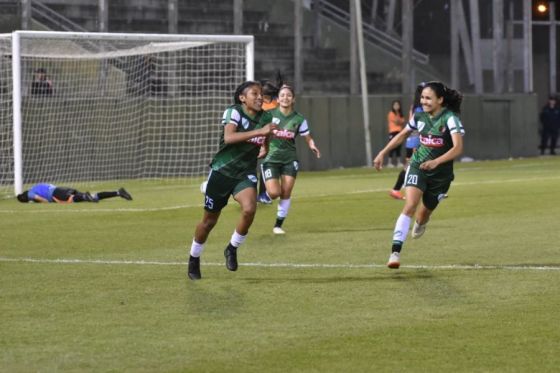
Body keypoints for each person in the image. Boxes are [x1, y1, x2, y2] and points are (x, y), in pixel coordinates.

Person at [187, 81, 278, 280]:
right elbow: (229, 138)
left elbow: (266, 138)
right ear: (242, 98)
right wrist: (259, 133)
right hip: (221, 172)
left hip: (244, 173)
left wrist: (266, 147)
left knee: (249, 209)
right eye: (254, 93)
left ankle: (232, 247)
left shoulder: (266, 116)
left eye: (261, 94)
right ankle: (194, 257)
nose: (260, 97)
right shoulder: (234, 112)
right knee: (209, 222)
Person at [373, 81, 465, 269]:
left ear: (440, 99)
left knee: (423, 214)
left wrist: (436, 162)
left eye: (428, 98)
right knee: (410, 205)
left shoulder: (450, 118)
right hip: (418, 166)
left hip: (441, 175)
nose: (423, 101)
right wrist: (383, 152)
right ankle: (395, 253)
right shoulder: (419, 116)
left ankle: (422, 222)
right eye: (422, 97)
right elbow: (402, 135)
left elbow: (458, 148)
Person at [260, 84, 321, 234]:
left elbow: (308, 137)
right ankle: (265, 195)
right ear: (278, 99)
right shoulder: (269, 115)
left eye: (288, 95)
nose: (285, 98)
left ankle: (278, 225)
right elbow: (261, 133)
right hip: (271, 159)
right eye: (282, 95)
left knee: (286, 193)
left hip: (290, 159)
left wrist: (312, 145)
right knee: (275, 193)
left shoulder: (299, 119)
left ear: (293, 99)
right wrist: (261, 146)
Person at [389, 83, 424, 200]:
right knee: (410, 167)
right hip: (416, 141)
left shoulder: (415, 106)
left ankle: (433, 191)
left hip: (414, 140)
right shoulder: (419, 108)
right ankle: (396, 189)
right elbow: (419, 126)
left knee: (421, 166)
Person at [257, 73, 283, 204]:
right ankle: (262, 195)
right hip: (270, 139)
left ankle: (262, 194)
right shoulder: (276, 104)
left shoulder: (263, 106)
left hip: (262, 138)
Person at [16, 183, 132, 203]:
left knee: (72, 200)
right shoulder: (36, 186)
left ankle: (84, 196)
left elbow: (44, 200)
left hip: (57, 194)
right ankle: (118, 192)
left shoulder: (30, 194)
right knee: (94, 197)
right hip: (62, 189)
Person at [386, 100, 405, 168]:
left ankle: (399, 162)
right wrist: (397, 112)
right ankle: (389, 163)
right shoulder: (391, 113)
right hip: (392, 132)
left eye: (397, 105)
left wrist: (398, 115)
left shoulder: (400, 114)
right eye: (395, 105)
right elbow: (397, 121)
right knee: (391, 147)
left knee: (398, 147)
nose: (396, 106)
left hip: (399, 132)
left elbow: (402, 121)